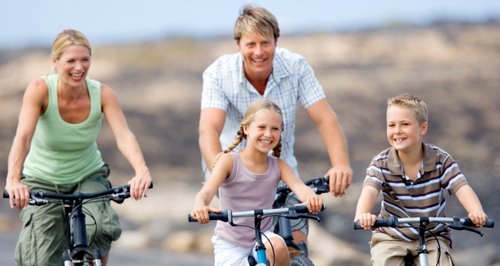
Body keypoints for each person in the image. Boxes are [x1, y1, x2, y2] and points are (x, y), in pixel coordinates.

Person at [199, 5, 352, 247]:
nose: (259, 52)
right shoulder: (218, 73)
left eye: (265, 43)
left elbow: (325, 118)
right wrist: (220, 176)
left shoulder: (296, 67)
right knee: (247, 247)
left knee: (294, 246)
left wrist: (340, 164)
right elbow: (209, 130)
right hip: (233, 176)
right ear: (238, 44)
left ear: (276, 41)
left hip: (283, 173)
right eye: (250, 44)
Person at [4, 29, 153, 266]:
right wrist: (13, 179)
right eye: (71, 61)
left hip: (87, 175)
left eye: (85, 60)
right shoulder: (40, 90)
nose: (79, 67)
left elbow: (124, 135)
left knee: (100, 227)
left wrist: (141, 171)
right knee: (39, 257)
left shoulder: (103, 94)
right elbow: (23, 137)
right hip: (42, 178)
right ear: (55, 62)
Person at [354, 94, 488, 266]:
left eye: (405, 124)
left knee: (441, 263)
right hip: (393, 236)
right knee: (384, 261)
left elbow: (461, 187)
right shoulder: (381, 163)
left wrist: (475, 211)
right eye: (391, 125)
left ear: (423, 128)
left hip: (433, 235)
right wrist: (362, 215)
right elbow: (369, 190)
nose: (397, 131)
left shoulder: (441, 160)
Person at [191, 99, 323, 266]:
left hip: (264, 235)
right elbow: (206, 192)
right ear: (246, 129)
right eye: (261, 127)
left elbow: (299, 187)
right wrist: (200, 206)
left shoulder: (278, 165)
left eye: (275, 129)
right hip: (231, 244)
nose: (268, 134)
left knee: (279, 246)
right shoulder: (229, 162)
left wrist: (311, 197)